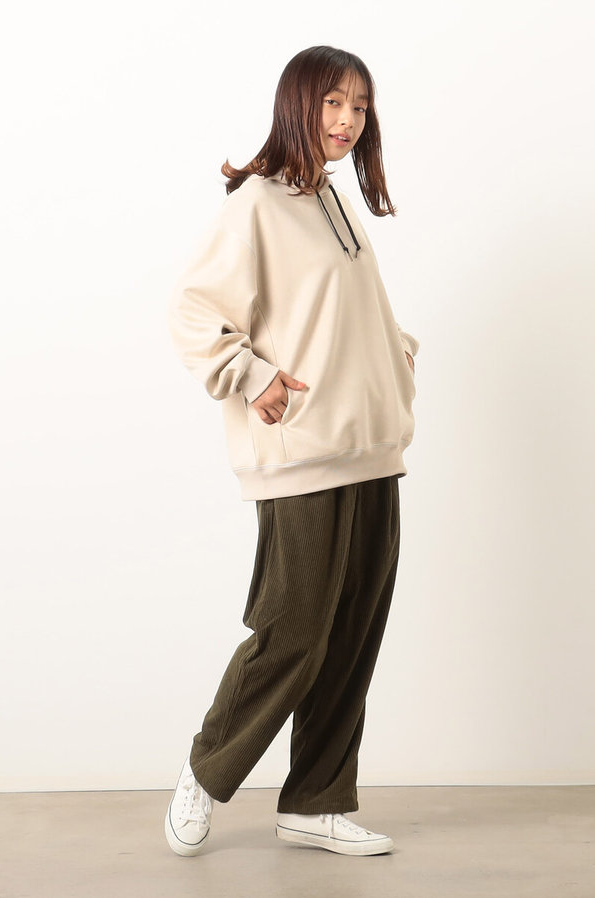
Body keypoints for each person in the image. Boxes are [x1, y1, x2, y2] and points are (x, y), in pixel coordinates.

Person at [165, 45, 419, 857]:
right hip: (301, 452)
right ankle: (206, 771)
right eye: (333, 103)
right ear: (297, 105)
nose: (347, 120)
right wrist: (248, 375)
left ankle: (316, 800)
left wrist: (395, 358)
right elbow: (195, 311)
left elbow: (345, 313)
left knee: (352, 635)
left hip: (372, 451)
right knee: (294, 631)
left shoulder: (333, 202)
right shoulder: (257, 204)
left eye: (360, 107)